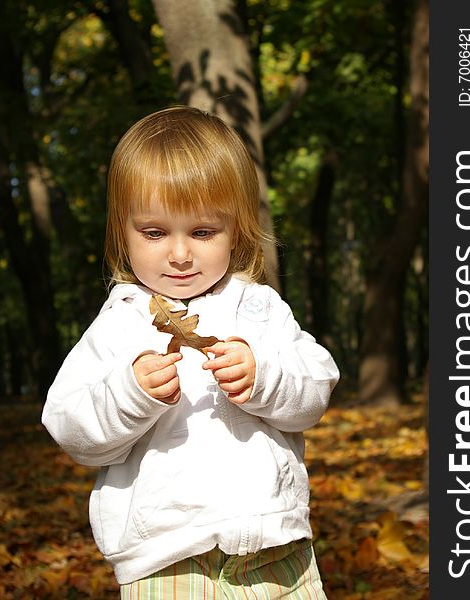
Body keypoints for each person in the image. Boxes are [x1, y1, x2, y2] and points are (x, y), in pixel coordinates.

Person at [42, 106, 339, 599]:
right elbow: (70, 428)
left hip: (277, 553)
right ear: (123, 231)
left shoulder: (258, 307)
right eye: (154, 233)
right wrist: (130, 394)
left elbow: (315, 390)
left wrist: (263, 377)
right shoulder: (121, 322)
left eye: (202, 232)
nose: (179, 254)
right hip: (164, 561)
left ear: (237, 229)